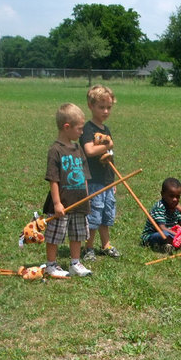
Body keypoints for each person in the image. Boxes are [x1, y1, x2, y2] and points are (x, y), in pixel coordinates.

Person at [43, 103, 92, 277]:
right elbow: (53, 179)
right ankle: (50, 265)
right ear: (66, 127)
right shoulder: (55, 150)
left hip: (79, 202)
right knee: (55, 235)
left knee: (77, 234)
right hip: (62, 203)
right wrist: (56, 203)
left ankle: (75, 263)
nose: (82, 132)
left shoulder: (78, 149)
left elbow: (85, 175)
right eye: (79, 128)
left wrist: (86, 197)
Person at [81, 85, 121, 262]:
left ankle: (106, 245)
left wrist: (113, 183)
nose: (105, 111)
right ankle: (88, 247)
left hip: (106, 180)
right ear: (91, 106)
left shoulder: (106, 130)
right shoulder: (87, 129)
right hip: (93, 180)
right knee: (94, 215)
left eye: (109, 107)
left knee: (107, 214)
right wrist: (108, 145)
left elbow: (109, 157)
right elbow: (89, 150)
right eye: (101, 107)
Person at [140, 177, 181, 252]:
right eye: (171, 196)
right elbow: (162, 228)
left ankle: (177, 245)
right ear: (162, 194)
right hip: (154, 235)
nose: (175, 199)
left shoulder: (176, 208)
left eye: (177, 197)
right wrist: (178, 236)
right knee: (164, 235)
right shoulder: (160, 207)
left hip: (172, 233)